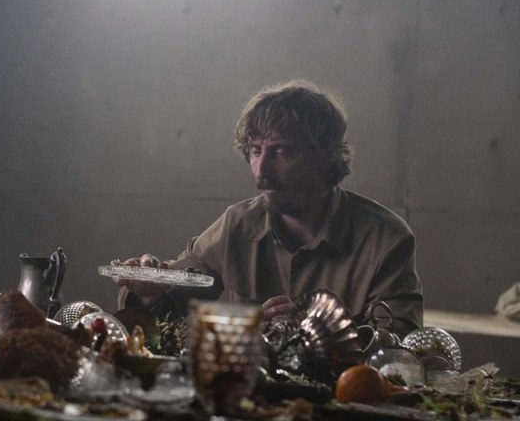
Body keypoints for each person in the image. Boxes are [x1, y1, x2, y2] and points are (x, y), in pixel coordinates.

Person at [113, 79, 424, 338]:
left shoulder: (386, 240)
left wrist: (326, 332)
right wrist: (148, 293)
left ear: (323, 157)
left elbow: (401, 346)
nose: (261, 171)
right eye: (255, 151)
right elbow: (171, 300)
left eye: (281, 152)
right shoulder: (237, 225)